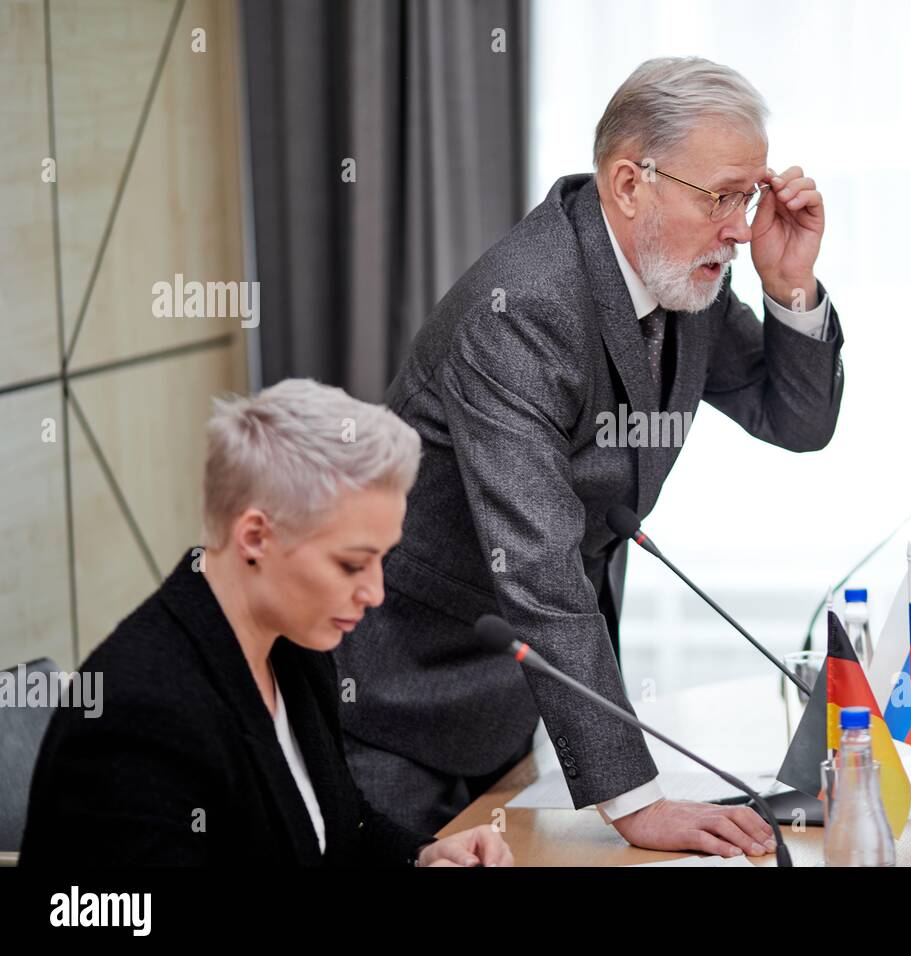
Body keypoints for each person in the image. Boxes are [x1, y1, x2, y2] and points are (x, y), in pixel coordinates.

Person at [334, 56, 844, 857]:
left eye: (752, 195)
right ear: (630, 183)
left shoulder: (682, 275)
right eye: (722, 196)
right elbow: (537, 563)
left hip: (516, 701)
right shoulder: (523, 309)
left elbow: (795, 419)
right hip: (402, 703)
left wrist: (790, 289)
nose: (743, 227)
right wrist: (637, 802)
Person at [21, 379, 512, 866]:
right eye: (351, 564)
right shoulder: (140, 712)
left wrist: (422, 854)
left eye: (383, 559)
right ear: (255, 536)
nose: (376, 593)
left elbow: (335, 825)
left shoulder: (293, 647)